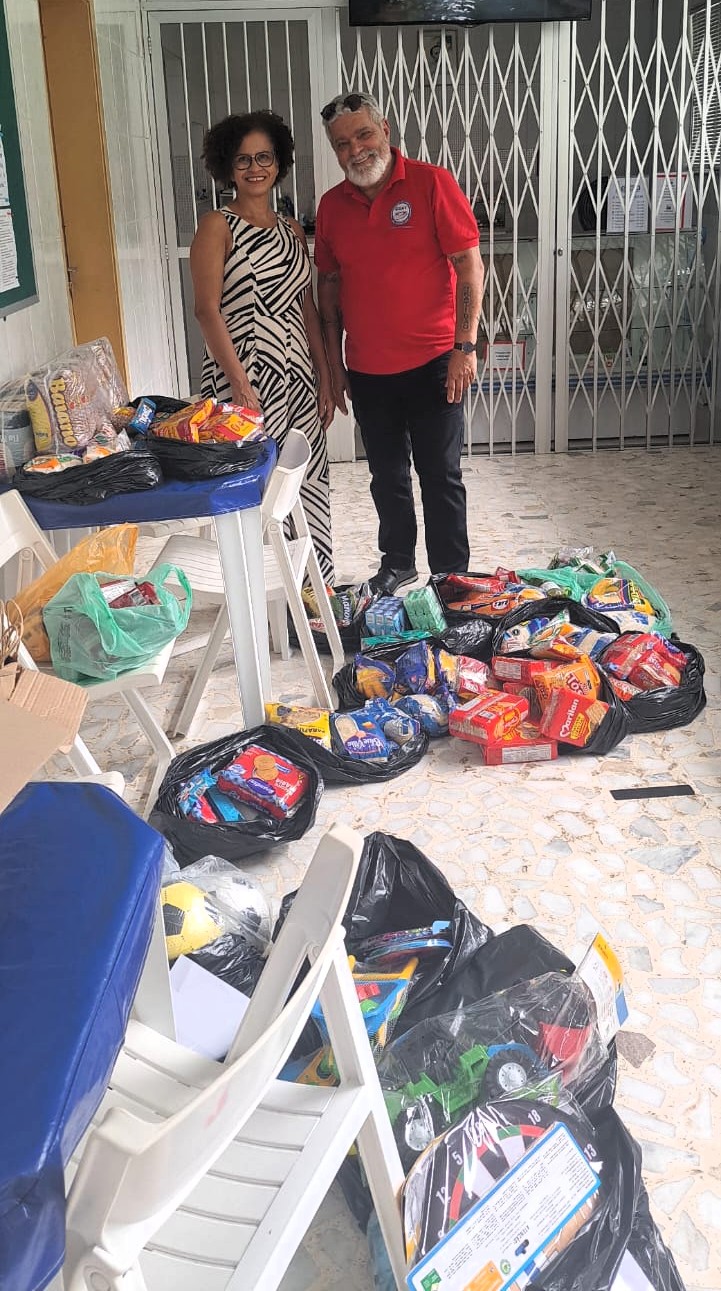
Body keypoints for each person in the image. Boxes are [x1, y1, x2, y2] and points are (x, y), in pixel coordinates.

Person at [315, 90, 484, 596]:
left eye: (363, 135)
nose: (356, 150)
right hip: (368, 370)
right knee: (386, 476)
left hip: (435, 363)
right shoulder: (332, 206)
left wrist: (465, 347)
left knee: (440, 475)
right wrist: (335, 365)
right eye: (342, 144)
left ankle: (450, 574)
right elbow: (329, 285)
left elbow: (469, 266)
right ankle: (398, 562)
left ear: (385, 131)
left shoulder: (432, 184)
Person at [190, 109, 335, 581]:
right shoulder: (217, 226)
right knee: (255, 487)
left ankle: (312, 586)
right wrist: (240, 384)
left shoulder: (291, 229)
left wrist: (324, 377)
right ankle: (261, 592)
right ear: (227, 168)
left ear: (279, 162)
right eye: (243, 160)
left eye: (264, 157)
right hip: (245, 377)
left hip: (298, 378)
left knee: (303, 480)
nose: (255, 168)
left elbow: (306, 306)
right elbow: (207, 311)